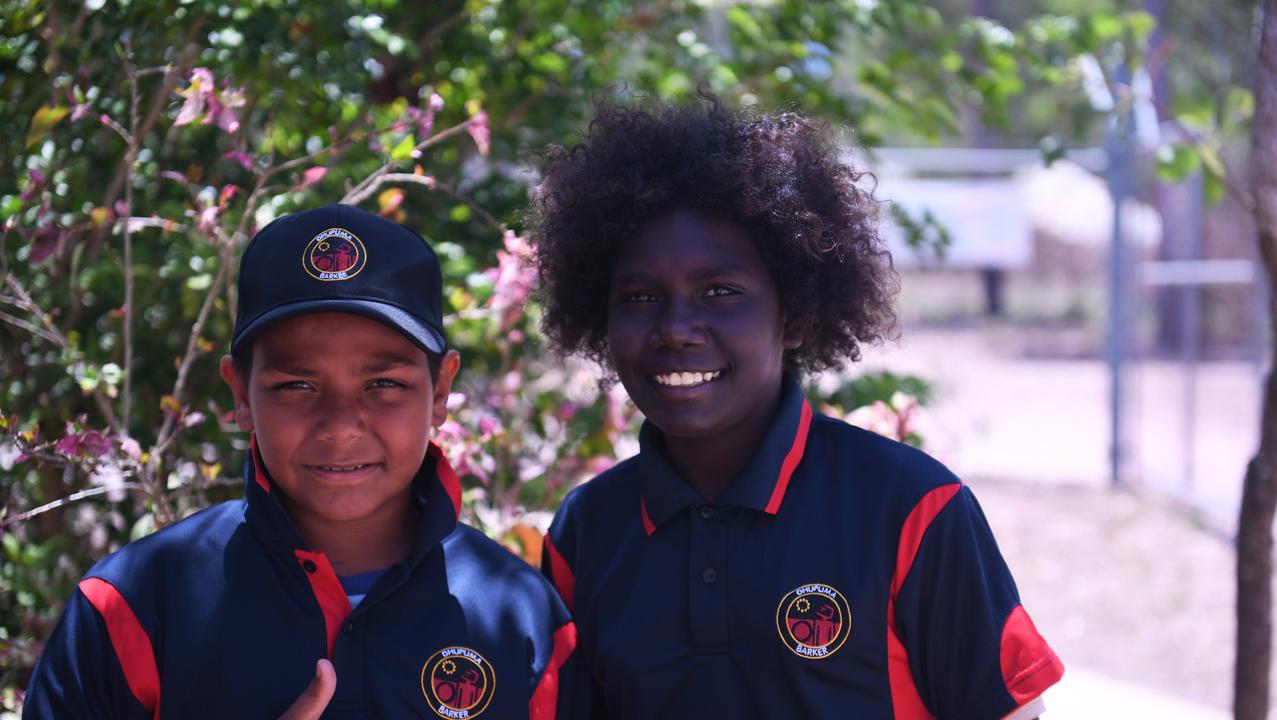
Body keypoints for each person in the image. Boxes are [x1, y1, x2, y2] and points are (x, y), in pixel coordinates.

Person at [530, 98, 1063, 719]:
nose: (676, 328)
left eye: (720, 292)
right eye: (641, 296)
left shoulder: (911, 508)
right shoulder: (587, 530)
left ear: (799, 315)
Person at [24, 204, 580, 720]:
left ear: (441, 391)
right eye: (296, 385)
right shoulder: (134, 605)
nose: (340, 425)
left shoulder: (520, 616)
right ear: (241, 394)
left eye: (384, 382)